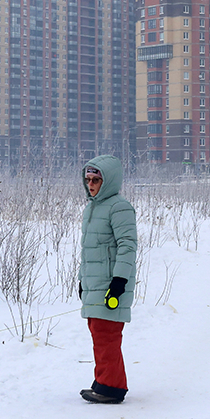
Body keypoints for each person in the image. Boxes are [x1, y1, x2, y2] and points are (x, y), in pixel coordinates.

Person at [77, 155, 137, 404]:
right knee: (99, 333)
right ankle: (107, 381)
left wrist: (119, 281)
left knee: (107, 336)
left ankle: (110, 387)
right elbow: (89, 252)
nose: (91, 184)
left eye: (96, 180)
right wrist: (82, 281)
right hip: (95, 284)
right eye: (88, 179)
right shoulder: (92, 208)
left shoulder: (119, 207)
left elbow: (127, 246)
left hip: (111, 284)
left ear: (108, 181)